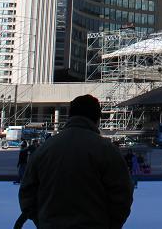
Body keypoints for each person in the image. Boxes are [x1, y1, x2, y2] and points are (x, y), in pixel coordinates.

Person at [18, 95, 133, 229]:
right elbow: (122, 195)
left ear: (70, 116)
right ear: (97, 119)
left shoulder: (45, 149)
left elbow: (27, 193)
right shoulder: (107, 150)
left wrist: (43, 221)